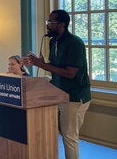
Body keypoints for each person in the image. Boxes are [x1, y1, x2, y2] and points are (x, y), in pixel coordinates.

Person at [25, 9, 91, 159]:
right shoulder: (53, 41)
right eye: (47, 22)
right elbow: (55, 66)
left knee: (69, 136)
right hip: (58, 93)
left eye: (51, 22)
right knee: (56, 131)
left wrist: (42, 65)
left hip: (74, 96)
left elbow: (69, 73)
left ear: (62, 24)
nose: (47, 25)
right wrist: (40, 63)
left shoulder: (75, 43)